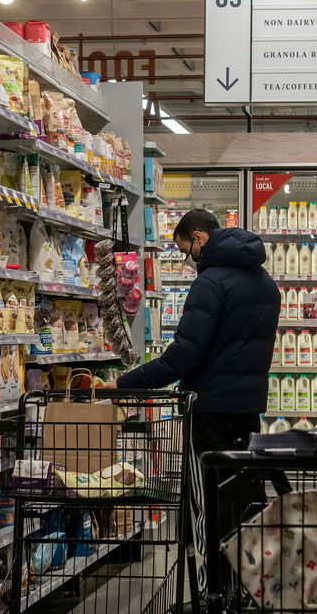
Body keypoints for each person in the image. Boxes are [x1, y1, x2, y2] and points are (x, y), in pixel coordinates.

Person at [115, 208, 280, 529]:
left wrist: (125, 384)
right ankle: (245, 565)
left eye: (183, 250)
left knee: (211, 496)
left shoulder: (210, 283)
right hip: (248, 407)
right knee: (244, 492)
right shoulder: (266, 283)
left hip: (211, 408)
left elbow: (183, 356)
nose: (186, 259)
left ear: (198, 238)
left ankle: (214, 571)